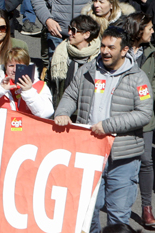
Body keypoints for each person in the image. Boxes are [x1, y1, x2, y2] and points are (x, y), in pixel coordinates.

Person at [55, 27, 153, 233]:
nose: (105, 51)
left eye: (111, 47)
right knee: (88, 211)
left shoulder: (138, 78)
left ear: (125, 50)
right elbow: (71, 95)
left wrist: (108, 126)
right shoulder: (88, 70)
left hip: (123, 157)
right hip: (89, 153)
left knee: (118, 215)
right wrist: (62, 112)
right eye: (103, 46)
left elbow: (145, 113)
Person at [0, 46, 54, 117]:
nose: (14, 70)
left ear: (27, 67)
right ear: (5, 66)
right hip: (1, 133)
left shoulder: (39, 85)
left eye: (19, 66)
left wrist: (29, 92)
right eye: (11, 66)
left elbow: (46, 113)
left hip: (27, 133)